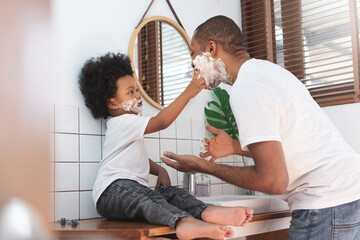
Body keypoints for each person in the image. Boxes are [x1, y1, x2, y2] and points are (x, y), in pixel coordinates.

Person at [161, 15, 360, 240]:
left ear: (211, 49)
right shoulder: (266, 73)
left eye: (193, 53)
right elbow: (289, 142)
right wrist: (236, 147)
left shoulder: (248, 88)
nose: (192, 64)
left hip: (324, 203)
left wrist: (202, 166)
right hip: (347, 195)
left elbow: (273, 181)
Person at [78, 52, 253, 240]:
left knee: (171, 194)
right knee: (148, 197)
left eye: (137, 90)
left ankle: (206, 211)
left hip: (127, 191)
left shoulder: (126, 127)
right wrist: (188, 92)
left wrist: (159, 170)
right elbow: (161, 122)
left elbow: (133, 158)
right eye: (131, 92)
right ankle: (184, 223)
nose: (138, 96)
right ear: (112, 103)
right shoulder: (122, 121)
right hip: (112, 192)